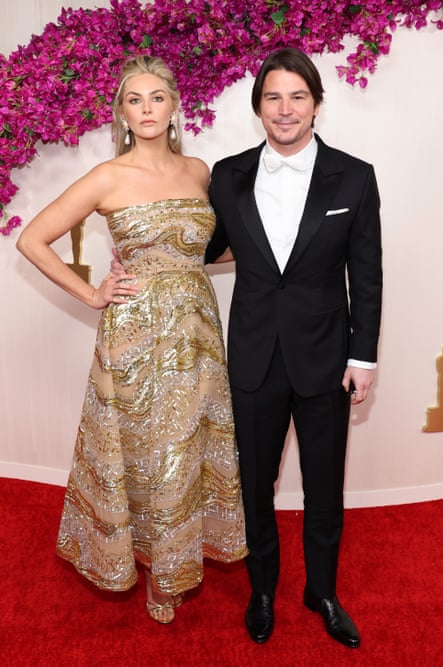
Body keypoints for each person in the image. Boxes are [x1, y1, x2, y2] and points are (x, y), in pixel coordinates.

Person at [16, 55, 247, 625]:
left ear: (174, 108)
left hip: (197, 333)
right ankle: (151, 570)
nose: (146, 109)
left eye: (156, 98)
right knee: (147, 455)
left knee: (187, 452)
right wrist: (93, 294)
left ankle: (174, 565)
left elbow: (219, 248)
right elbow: (32, 240)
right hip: (136, 338)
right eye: (134, 100)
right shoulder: (108, 177)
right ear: (121, 113)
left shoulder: (199, 171)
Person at [205, 48, 383, 647]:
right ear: (258, 106)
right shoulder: (225, 175)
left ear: (316, 104)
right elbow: (199, 248)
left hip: (327, 359)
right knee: (256, 483)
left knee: (324, 484)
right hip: (253, 355)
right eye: (273, 97)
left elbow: (368, 273)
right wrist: (139, 246)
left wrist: (364, 357)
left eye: (297, 96)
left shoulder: (354, 176)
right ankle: (262, 590)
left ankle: (323, 591)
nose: (285, 109)